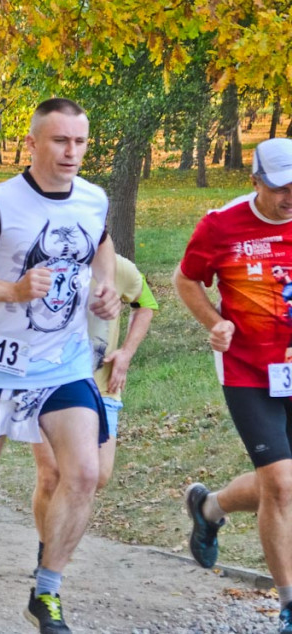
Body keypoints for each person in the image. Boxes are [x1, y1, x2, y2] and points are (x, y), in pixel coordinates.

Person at [0, 98, 120, 634]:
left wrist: (106, 289)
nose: (72, 152)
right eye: (60, 141)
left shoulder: (93, 198)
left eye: (80, 142)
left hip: (64, 362)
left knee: (81, 473)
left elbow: (102, 247)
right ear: (32, 144)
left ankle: (47, 591)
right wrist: (9, 290)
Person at [174, 137, 292, 634]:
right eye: (281, 188)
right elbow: (186, 280)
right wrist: (213, 322)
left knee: (284, 484)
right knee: (282, 485)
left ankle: (210, 506)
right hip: (248, 372)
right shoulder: (220, 225)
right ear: (256, 182)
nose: (291, 197)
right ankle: (289, 604)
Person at [30, 254, 157, 572]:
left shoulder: (118, 268)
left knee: (97, 475)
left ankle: (57, 539)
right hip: (46, 385)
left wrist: (126, 353)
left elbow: (146, 304)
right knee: (51, 474)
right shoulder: (41, 265)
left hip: (101, 388)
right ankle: (48, 555)